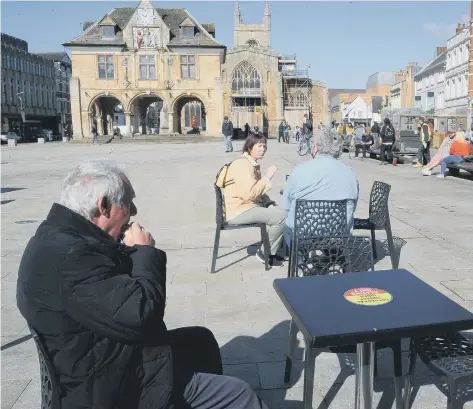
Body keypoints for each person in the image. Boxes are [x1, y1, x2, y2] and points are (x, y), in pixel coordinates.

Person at [17, 160, 269, 409]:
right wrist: (143, 251)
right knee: (239, 394)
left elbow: (106, 292)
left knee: (200, 341)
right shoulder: (74, 257)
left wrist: (123, 250)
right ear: (103, 206)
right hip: (107, 385)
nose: (134, 211)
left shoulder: (57, 234)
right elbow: (143, 314)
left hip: (92, 356)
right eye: (127, 202)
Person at [282, 127, 359, 246]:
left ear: (316, 146)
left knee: (288, 229)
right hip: (337, 234)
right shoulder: (350, 173)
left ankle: (301, 262)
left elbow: (286, 205)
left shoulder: (300, 170)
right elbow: (353, 205)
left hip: (303, 233)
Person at [224, 134, 287, 268]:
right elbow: (251, 193)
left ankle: (271, 252)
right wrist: (268, 176)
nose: (263, 149)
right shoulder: (242, 164)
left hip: (246, 206)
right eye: (259, 146)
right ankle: (265, 253)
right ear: (249, 147)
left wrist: (268, 203)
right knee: (281, 218)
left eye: (264, 146)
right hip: (238, 210)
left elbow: (258, 192)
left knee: (280, 214)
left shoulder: (250, 164)